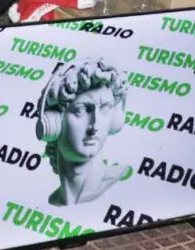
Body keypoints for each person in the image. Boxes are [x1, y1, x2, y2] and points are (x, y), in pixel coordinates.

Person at [35, 58, 129, 207]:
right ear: (54, 123)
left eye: (105, 108)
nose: (94, 126)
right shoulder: (55, 200)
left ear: (115, 120)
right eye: (81, 110)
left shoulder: (115, 183)